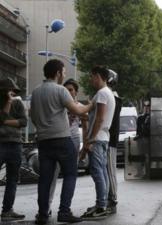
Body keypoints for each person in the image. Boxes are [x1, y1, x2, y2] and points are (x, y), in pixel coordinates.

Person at [30, 59, 92, 224]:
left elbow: (32, 117)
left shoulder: (35, 92)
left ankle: (43, 215)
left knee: (45, 179)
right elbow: (78, 110)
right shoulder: (60, 90)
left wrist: (43, 128)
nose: (64, 74)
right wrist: (90, 105)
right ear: (57, 73)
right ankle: (64, 212)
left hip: (43, 141)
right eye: (63, 72)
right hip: (62, 140)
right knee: (71, 174)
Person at [46, 78, 88, 213]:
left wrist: (85, 145)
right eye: (66, 89)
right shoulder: (60, 104)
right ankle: (47, 205)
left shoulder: (79, 106)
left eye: (71, 89)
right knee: (53, 173)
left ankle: (65, 206)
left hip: (74, 141)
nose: (68, 92)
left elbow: (86, 125)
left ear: (76, 92)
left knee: (70, 174)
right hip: (58, 138)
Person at [80, 66, 115, 220]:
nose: (90, 79)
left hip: (98, 138)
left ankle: (101, 206)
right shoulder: (107, 93)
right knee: (102, 171)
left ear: (99, 76)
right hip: (103, 137)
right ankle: (103, 204)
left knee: (97, 172)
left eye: (91, 76)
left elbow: (99, 118)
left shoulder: (101, 94)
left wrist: (90, 139)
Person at [0, 78, 27, 222]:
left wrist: (4, 122)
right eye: (8, 90)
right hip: (1, 143)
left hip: (15, 143)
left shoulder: (18, 103)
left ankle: (7, 210)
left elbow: (23, 122)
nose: (11, 93)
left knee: (12, 179)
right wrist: (8, 103)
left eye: (13, 91)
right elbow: (3, 116)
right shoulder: (9, 102)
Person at [105, 69, 121, 214]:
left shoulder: (113, 98)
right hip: (107, 139)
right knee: (108, 170)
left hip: (109, 140)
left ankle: (113, 199)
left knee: (110, 170)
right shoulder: (112, 97)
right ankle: (108, 198)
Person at [134, 100, 151, 177]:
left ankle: (148, 172)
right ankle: (140, 171)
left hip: (150, 140)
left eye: (148, 107)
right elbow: (138, 130)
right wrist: (138, 137)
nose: (147, 109)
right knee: (140, 156)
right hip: (141, 139)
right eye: (145, 107)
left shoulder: (154, 117)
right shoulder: (140, 118)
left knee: (148, 156)